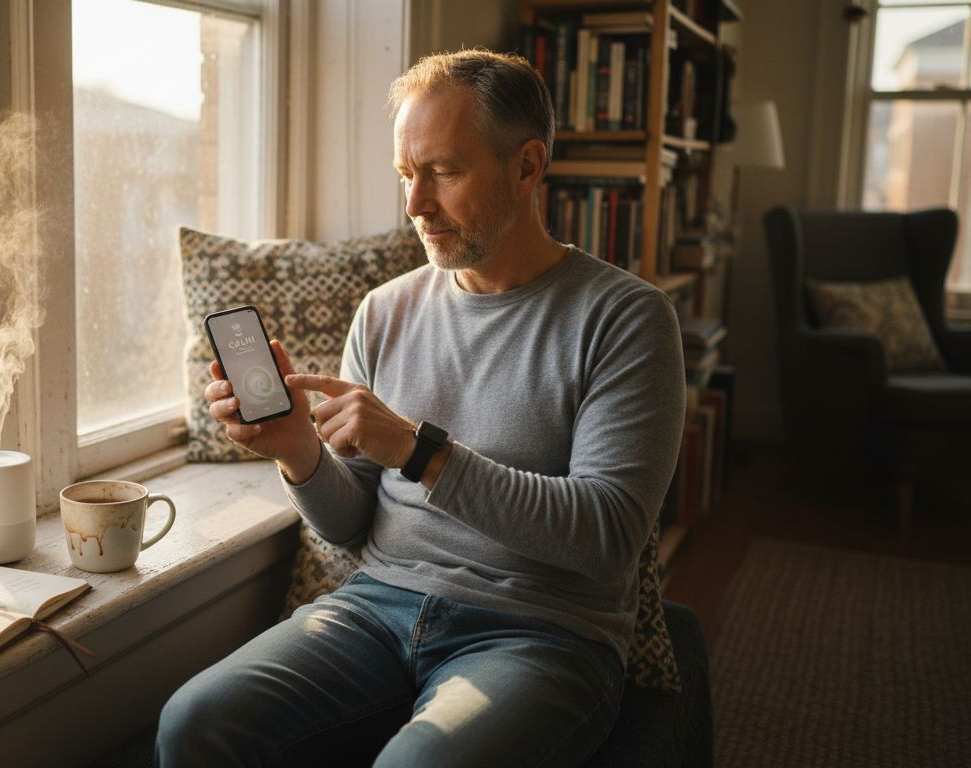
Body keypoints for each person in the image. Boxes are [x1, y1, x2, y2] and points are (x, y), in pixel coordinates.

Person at [157, 49, 685, 767]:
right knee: (194, 720)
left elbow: (606, 537)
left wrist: (419, 451)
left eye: (443, 171)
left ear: (527, 167)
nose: (415, 205)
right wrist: (297, 451)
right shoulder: (384, 312)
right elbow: (348, 525)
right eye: (406, 174)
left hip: (542, 633)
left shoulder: (627, 319)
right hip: (374, 608)